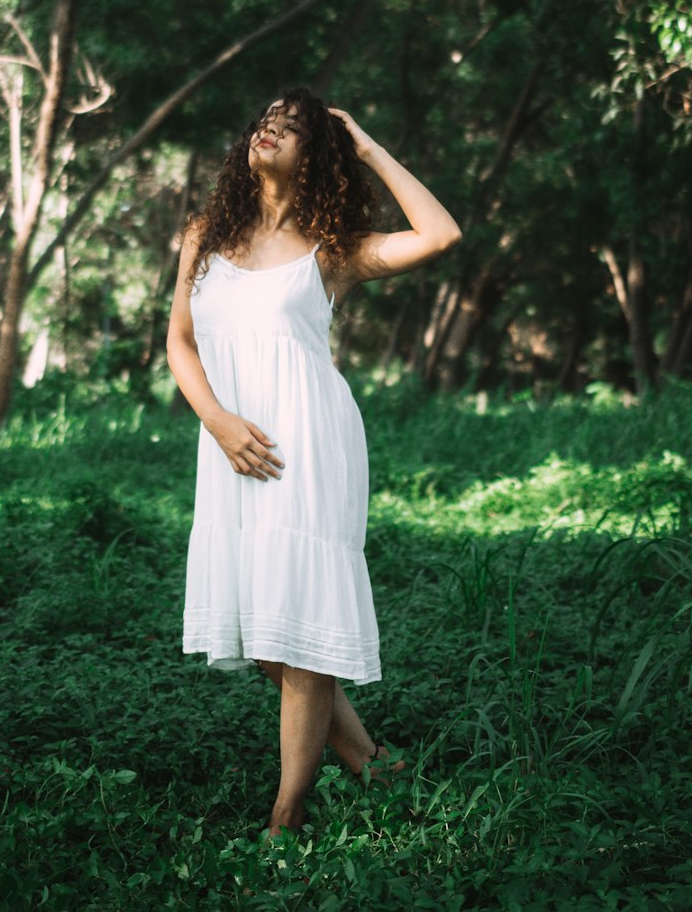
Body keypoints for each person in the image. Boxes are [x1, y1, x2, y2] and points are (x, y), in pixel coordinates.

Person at [166, 87, 461, 835]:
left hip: (306, 447)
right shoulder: (205, 233)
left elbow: (440, 234)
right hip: (231, 446)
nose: (271, 129)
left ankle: (284, 818)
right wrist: (219, 422)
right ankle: (376, 765)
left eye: (293, 127)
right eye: (266, 118)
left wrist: (367, 147)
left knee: (298, 634)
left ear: (319, 157)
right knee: (261, 628)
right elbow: (180, 342)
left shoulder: (329, 250)